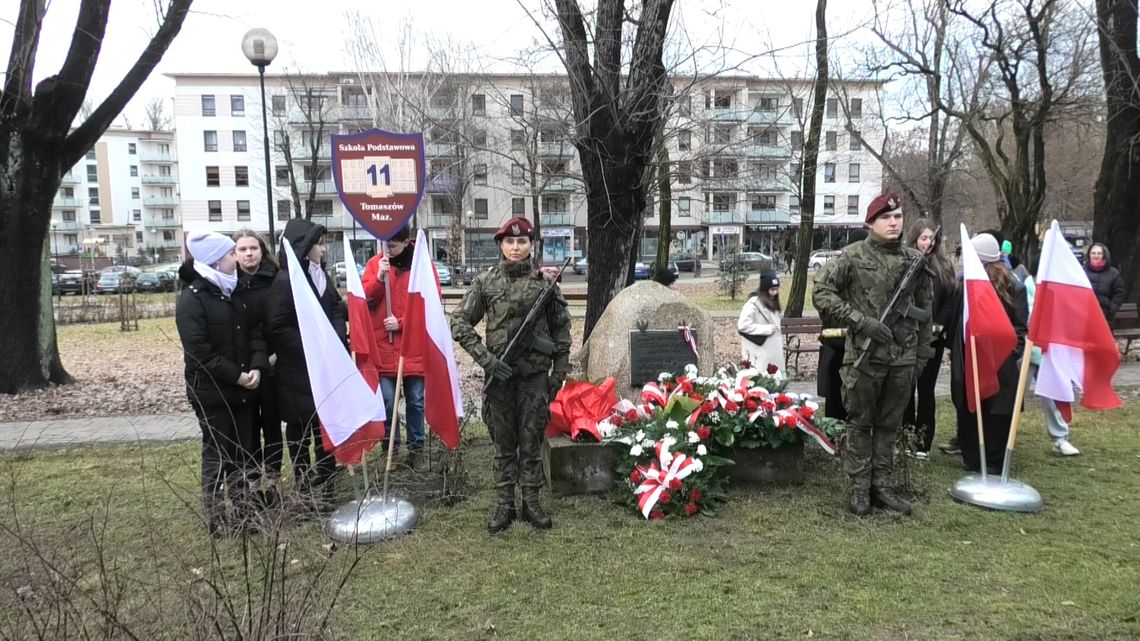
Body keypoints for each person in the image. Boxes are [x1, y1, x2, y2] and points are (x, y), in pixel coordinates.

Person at [814, 191, 934, 516]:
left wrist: (921, 356)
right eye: (886, 218)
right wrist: (859, 321)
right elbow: (821, 292)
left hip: (903, 358)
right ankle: (859, 489)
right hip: (865, 358)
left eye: (898, 217)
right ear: (870, 223)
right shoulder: (853, 256)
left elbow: (926, 310)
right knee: (860, 423)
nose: (894, 222)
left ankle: (883, 486)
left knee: (888, 425)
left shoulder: (914, 260)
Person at [450, 216, 572, 534]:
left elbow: (561, 332)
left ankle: (531, 502)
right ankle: (505, 504)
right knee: (503, 445)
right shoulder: (486, 282)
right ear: (500, 245)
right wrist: (487, 361)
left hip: (534, 379)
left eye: (522, 241)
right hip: (500, 380)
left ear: (531, 244)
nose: (515, 247)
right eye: (509, 241)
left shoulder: (545, 285)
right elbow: (459, 322)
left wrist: (557, 375)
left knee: (531, 442)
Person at [176, 231, 266, 536]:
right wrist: (236, 375)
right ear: (216, 261)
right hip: (212, 392)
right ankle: (217, 520)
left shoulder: (236, 291)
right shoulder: (192, 299)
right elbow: (199, 353)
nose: (236, 259)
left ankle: (243, 515)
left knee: (242, 455)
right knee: (217, 454)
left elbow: (255, 334)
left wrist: (256, 367)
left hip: (243, 389)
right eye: (230, 254)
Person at [267, 219, 346, 512]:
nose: (323, 250)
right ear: (304, 247)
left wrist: (334, 338)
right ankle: (303, 488)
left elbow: (335, 308)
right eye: (319, 245)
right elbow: (278, 326)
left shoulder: (320, 275)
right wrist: (312, 346)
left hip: (324, 370)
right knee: (300, 433)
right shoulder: (285, 281)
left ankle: (327, 484)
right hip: (298, 372)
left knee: (324, 430)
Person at [948, 233, 1028, 475]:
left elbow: (1019, 328)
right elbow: (956, 321)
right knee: (970, 408)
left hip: (999, 362)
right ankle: (972, 456)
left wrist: (1007, 353)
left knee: (996, 413)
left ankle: (993, 461)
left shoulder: (1012, 286)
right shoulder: (965, 285)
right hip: (969, 358)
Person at [361, 224, 439, 471]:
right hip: (383, 347)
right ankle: (390, 452)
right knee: (387, 402)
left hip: (412, 346)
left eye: (393, 245)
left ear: (407, 242)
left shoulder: (422, 266)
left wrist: (402, 323)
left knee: (415, 401)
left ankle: (416, 450)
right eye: (385, 245)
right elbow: (364, 300)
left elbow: (432, 304)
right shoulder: (375, 264)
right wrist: (379, 278)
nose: (388, 250)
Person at [232, 229, 282, 504]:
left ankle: (273, 482)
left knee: (272, 426)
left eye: (253, 248)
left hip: (273, 364)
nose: (249, 253)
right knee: (248, 429)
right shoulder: (228, 282)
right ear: (234, 254)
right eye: (242, 249)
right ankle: (252, 483)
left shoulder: (276, 279)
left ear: (262, 250)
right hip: (243, 370)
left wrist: (274, 357)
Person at [902, 220, 958, 459]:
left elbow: (951, 299)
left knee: (926, 390)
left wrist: (938, 325)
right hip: (907, 337)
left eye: (931, 238)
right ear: (915, 239)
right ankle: (906, 438)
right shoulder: (905, 261)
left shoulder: (943, 266)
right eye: (923, 238)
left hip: (932, 338)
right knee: (905, 390)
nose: (928, 243)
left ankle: (923, 443)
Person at [1023, 269, 1080, 456]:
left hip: (1049, 353)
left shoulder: (1057, 288)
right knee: (1013, 396)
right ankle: (1002, 437)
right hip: (1027, 351)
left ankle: (1060, 438)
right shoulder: (1025, 287)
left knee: (1053, 397)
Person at [814, 229, 867, 421]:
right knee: (835, 394)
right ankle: (835, 430)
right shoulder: (836, 267)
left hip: (858, 341)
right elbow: (823, 300)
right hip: (837, 340)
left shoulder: (867, 268)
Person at [737, 270, 785, 374]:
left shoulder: (773, 303)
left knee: (776, 379)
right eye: (772, 290)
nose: (775, 293)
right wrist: (766, 329)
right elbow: (742, 325)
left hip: (773, 352)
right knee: (761, 380)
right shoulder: (752, 304)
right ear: (765, 289)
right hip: (760, 352)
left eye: (776, 289)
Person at [1083, 243, 1126, 324]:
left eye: (1099, 253)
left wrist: (1111, 309)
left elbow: (1120, 293)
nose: (1096, 255)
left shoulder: (1113, 273)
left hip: (1106, 317)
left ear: (1104, 255)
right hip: (1085, 315)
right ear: (1089, 255)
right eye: (1093, 253)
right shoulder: (1081, 272)